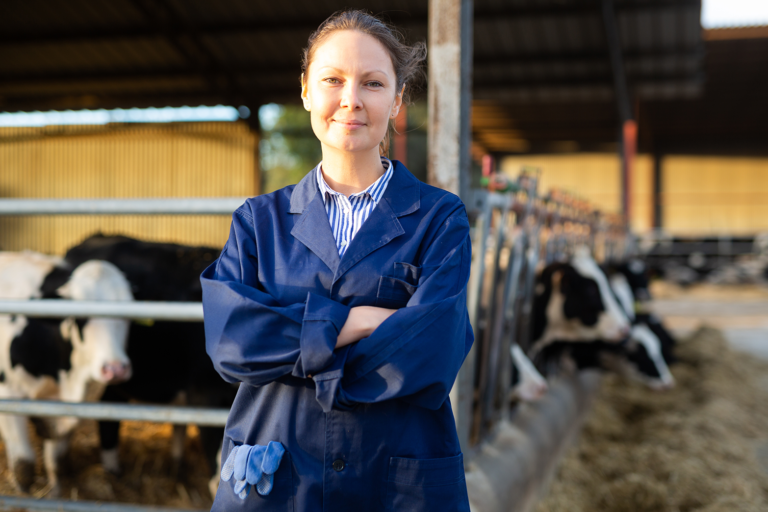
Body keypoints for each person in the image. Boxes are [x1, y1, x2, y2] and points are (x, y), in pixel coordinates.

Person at [201, 10, 473, 511]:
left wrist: (298, 351)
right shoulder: (258, 221)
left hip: (395, 480)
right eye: (333, 79)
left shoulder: (439, 217)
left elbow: (432, 353)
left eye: (372, 83)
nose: (351, 99)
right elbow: (231, 342)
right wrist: (355, 322)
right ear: (306, 90)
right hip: (280, 476)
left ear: (396, 101)